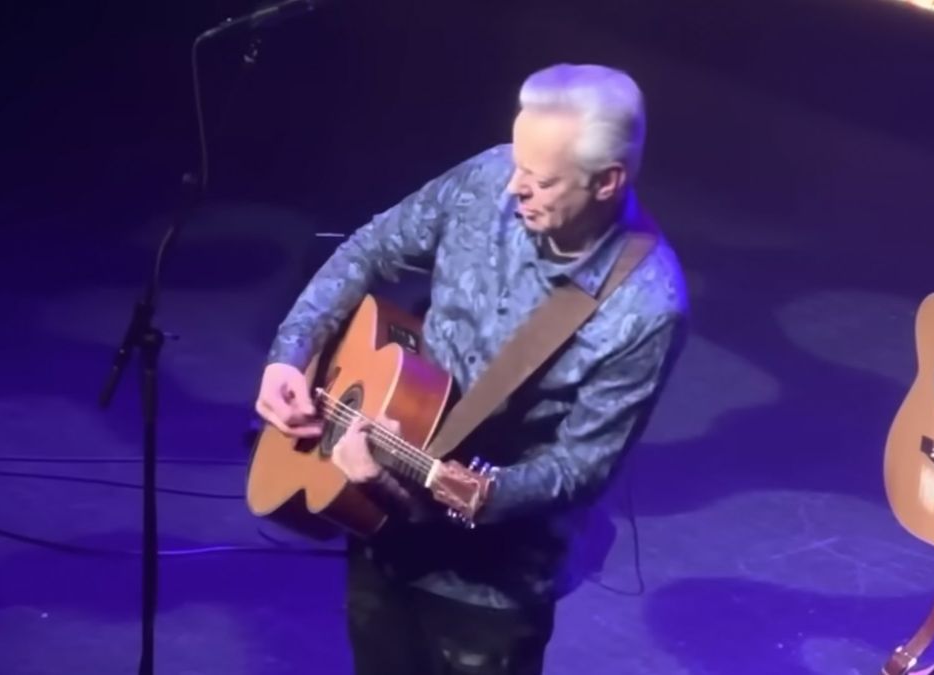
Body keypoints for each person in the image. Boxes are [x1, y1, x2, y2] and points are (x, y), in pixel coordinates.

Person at [255, 63, 689, 675]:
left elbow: (580, 468)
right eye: (516, 162)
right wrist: (291, 353)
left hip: (491, 586)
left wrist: (447, 488)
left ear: (607, 182)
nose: (513, 188)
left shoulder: (647, 306)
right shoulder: (491, 177)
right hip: (381, 538)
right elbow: (369, 249)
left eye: (539, 181)